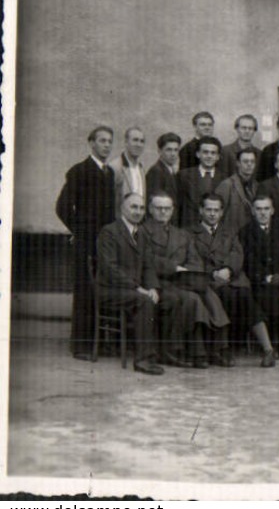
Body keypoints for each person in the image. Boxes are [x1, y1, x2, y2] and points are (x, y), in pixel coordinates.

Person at [141, 192, 230, 368]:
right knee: (192, 299)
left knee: (209, 294)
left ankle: (215, 348)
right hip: (158, 282)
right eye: (159, 208)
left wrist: (189, 270)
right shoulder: (142, 232)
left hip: (182, 280)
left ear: (173, 210)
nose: (163, 212)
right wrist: (174, 268)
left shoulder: (181, 234)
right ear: (151, 210)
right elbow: (146, 259)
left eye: (167, 208)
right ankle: (187, 351)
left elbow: (195, 259)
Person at [188, 193, 276, 367]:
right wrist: (214, 273)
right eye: (208, 210)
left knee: (244, 297)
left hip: (233, 277)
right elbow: (192, 259)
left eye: (216, 210)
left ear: (222, 212)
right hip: (209, 280)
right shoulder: (190, 233)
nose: (212, 214)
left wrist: (228, 269)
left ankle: (268, 350)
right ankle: (222, 349)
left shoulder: (229, 231)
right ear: (201, 210)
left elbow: (237, 253)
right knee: (227, 296)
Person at [96, 193, 178, 375]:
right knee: (144, 301)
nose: (138, 212)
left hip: (133, 290)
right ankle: (143, 359)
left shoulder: (141, 234)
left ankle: (166, 353)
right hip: (110, 290)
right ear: (122, 208)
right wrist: (137, 288)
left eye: (141, 208)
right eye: (133, 207)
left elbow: (148, 265)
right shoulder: (109, 232)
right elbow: (110, 269)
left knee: (171, 299)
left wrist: (153, 288)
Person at [55, 126, 117, 360]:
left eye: (110, 141)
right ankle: (81, 345)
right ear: (91, 143)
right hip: (86, 243)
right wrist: (80, 231)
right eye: (102, 141)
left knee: (101, 290)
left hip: (105, 244)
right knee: (84, 292)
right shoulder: (79, 171)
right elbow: (62, 207)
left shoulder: (109, 173)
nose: (107, 145)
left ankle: (99, 342)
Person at [241, 195, 279, 357]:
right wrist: (265, 277)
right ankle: (271, 343)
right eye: (258, 209)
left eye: (266, 209)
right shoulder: (245, 232)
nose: (263, 213)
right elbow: (248, 260)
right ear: (252, 211)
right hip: (259, 281)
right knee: (269, 297)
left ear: (272, 211)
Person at [178, 136, 225, 228]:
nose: (209, 156)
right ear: (198, 154)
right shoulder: (183, 176)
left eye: (213, 153)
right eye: (205, 152)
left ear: (218, 157)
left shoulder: (225, 178)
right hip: (189, 229)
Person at [216, 146, 260, 234]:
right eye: (245, 161)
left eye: (252, 162)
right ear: (238, 163)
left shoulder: (257, 186)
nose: (249, 164)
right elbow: (217, 215)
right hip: (231, 236)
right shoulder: (227, 185)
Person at [108, 126, 147, 211]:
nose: (139, 144)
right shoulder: (114, 167)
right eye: (135, 140)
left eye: (142, 141)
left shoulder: (141, 168)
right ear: (126, 142)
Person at [146, 132, 183, 218]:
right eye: (169, 150)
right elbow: (154, 205)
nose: (173, 154)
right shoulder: (156, 172)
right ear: (159, 151)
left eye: (176, 150)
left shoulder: (171, 171)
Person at [219, 114, 263, 179]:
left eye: (250, 128)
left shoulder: (259, 153)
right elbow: (223, 177)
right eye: (243, 128)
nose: (247, 131)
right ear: (237, 129)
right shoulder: (226, 151)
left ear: (254, 131)